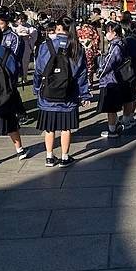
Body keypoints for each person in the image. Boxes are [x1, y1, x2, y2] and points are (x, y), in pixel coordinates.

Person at [34, 17, 91, 167]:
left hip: (48, 93)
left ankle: (49, 156)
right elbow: (82, 74)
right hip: (68, 94)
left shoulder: (45, 45)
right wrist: (84, 94)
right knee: (66, 128)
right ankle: (65, 157)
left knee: (49, 128)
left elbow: (39, 70)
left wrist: (36, 87)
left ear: (58, 28)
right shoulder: (77, 48)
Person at [0, 20, 28, 167]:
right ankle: (20, 150)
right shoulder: (6, 51)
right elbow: (13, 71)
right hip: (6, 94)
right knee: (11, 123)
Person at [97, 22, 126, 137]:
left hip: (111, 80)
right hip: (117, 78)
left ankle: (112, 130)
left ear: (114, 32)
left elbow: (109, 63)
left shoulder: (115, 46)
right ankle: (115, 125)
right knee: (112, 107)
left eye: (108, 31)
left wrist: (100, 73)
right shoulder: (121, 43)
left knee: (110, 108)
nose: (106, 34)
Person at [120, 21, 136, 128]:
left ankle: (126, 118)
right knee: (133, 94)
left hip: (128, 71)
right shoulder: (135, 39)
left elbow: (129, 57)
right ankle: (130, 116)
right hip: (134, 70)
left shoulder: (129, 41)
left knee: (128, 96)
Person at [14, 12, 38, 83]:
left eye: (23, 20)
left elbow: (34, 34)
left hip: (26, 44)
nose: (21, 21)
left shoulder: (29, 27)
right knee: (16, 61)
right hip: (17, 45)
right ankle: (16, 77)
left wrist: (28, 36)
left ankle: (24, 77)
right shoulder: (15, 26)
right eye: (20, 19)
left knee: (25, 62)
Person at [77, 19, 100, 87]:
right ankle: (90, 82)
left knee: (81, 66)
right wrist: (95, 49)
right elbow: (96, 40)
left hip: (81, 50)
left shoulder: (79, 31)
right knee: (90, 67)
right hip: (90, 50)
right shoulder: (92, 30)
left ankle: (82, 82)